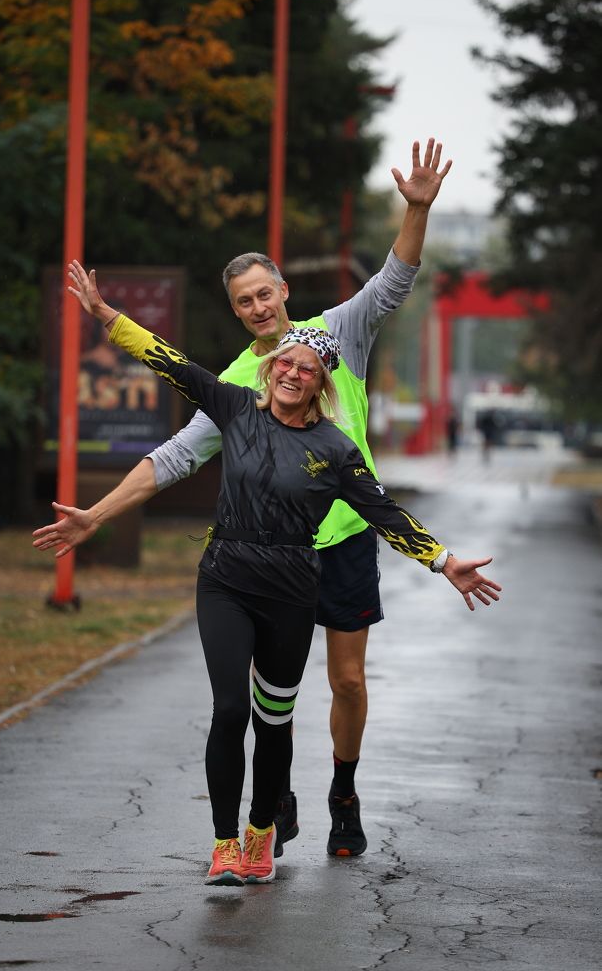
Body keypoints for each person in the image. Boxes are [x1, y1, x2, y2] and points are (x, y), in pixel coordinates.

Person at [33, 138, 451, 859]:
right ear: (235, 311)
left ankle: (343, 790)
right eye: (243, 301)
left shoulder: (337, 331)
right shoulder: (235, 385)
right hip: (269, 559)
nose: (258, 307)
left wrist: (414, 211)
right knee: (264, 699)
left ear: (283, 289)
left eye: (265, 292)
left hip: (346, 537)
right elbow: (171, 458)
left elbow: (394, 279)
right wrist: (94, 517)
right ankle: (273, 799)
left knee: (347, 681)